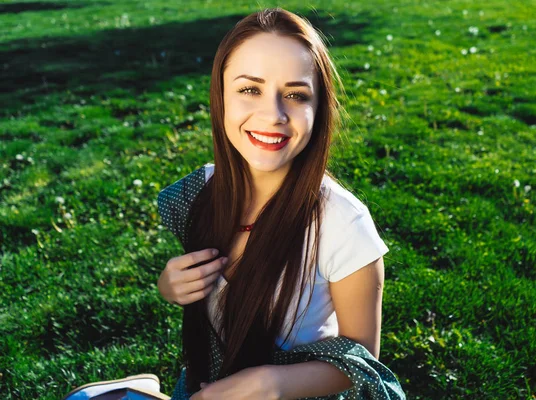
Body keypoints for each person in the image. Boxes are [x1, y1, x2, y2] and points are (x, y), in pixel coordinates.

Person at [64, 7, 406, 400]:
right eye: (250, 89)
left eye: (295, 95)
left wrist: (269, 384)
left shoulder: (343, 224)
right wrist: (170, 287)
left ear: (320, 109)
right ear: (220, 96)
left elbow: (362, 361)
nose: (272, 114)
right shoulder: (202, 191)